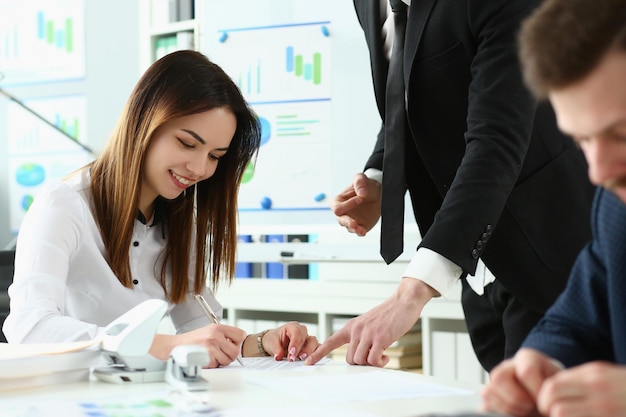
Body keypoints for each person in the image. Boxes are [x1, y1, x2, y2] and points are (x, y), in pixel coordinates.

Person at [306, 0, 596, 372]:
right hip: (475, 266)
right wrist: (382, 176)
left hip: (548, 250)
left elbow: (497, 142)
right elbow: (408, 96)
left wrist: (412, 293)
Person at [3, 50, 318, 367]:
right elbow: (29, 329)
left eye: (215, 156)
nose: (199, 168)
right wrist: (165, 345)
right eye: (187, 143)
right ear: (144, 122)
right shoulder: (63, 205)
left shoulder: (179, 222)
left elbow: (201, 331)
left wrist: (264, 343)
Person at [481, 0, 626, 415]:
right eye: (581, 140)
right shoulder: (615, 206)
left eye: (621, 135)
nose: (598, 173)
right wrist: (541, 363)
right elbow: (576, 321)